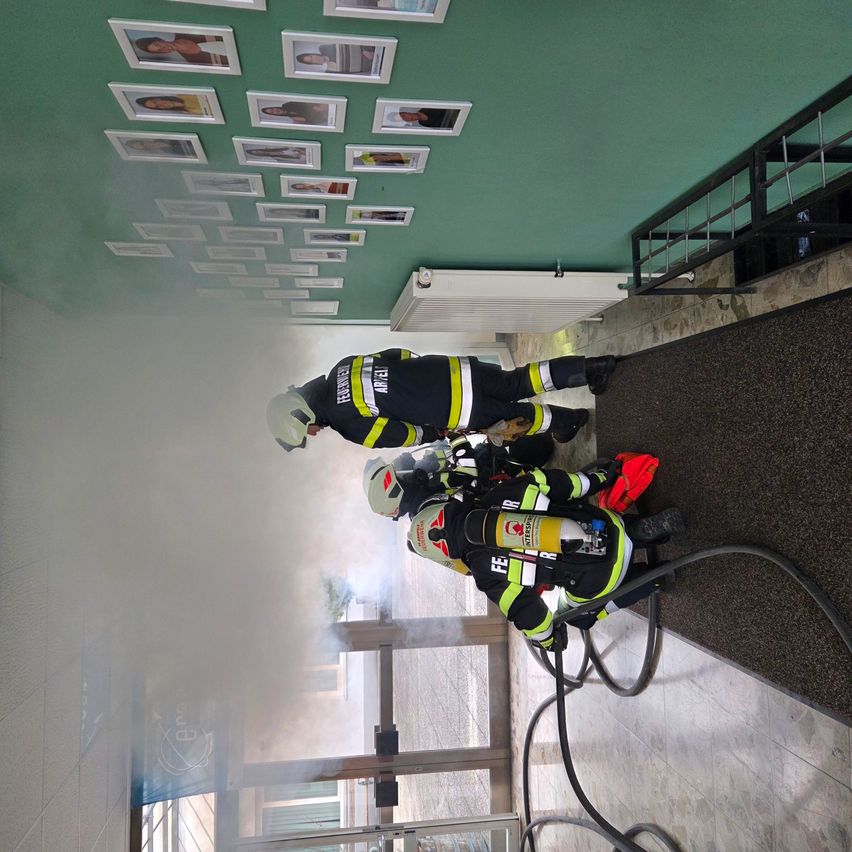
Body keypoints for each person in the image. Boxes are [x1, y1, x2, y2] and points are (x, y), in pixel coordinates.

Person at [406, 464, 685, 649]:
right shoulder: (498, 495)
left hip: (598, 578)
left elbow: (530, 616)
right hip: (606, 523)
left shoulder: (485, 574)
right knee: (596, 524)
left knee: (575, 616)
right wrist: (600, 478)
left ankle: (653, 579)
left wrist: (550, 641)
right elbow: (561, 482)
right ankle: (643, 530)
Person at [266, 349, 616, 452]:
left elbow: (403, 436)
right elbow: (398, 354)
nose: (313, 434)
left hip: (455, 408)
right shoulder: (342, 366)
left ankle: (568, 422)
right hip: (451, 370)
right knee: (519, 380)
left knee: (515, 418)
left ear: (303, 414)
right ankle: (591, 367)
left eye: (306, 431)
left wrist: (434, 434)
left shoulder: (347, 425)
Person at [134, 34, 229, 66]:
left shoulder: (185, 30)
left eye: (158, 44)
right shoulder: (192, 61)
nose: (164, 48)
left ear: (160, 39)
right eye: (159, 50)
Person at [296, 44, 376, 74]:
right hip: (371, 68)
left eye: (311, 57)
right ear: (313, 64)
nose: (314, 59)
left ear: (312, 54)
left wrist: (365, 50)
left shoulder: (324, 48)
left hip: (371, 50)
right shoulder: (329, 70)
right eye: (312, 61)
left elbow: (348, 43)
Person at [261, 102, 330, 125]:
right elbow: (309, 120)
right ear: (274, 115)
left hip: (317, 106)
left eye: (273, 109)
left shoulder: (287, 105)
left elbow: (303, 102)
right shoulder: (292, 117)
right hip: (321, 116)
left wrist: (315, 107)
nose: (275, 110)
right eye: (272, 112)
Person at [135, 95, 206, 115]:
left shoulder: (184, 94)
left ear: (158, 99)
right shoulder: (187, 112)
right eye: (157, 107)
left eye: (156, 103)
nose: (161, 105)